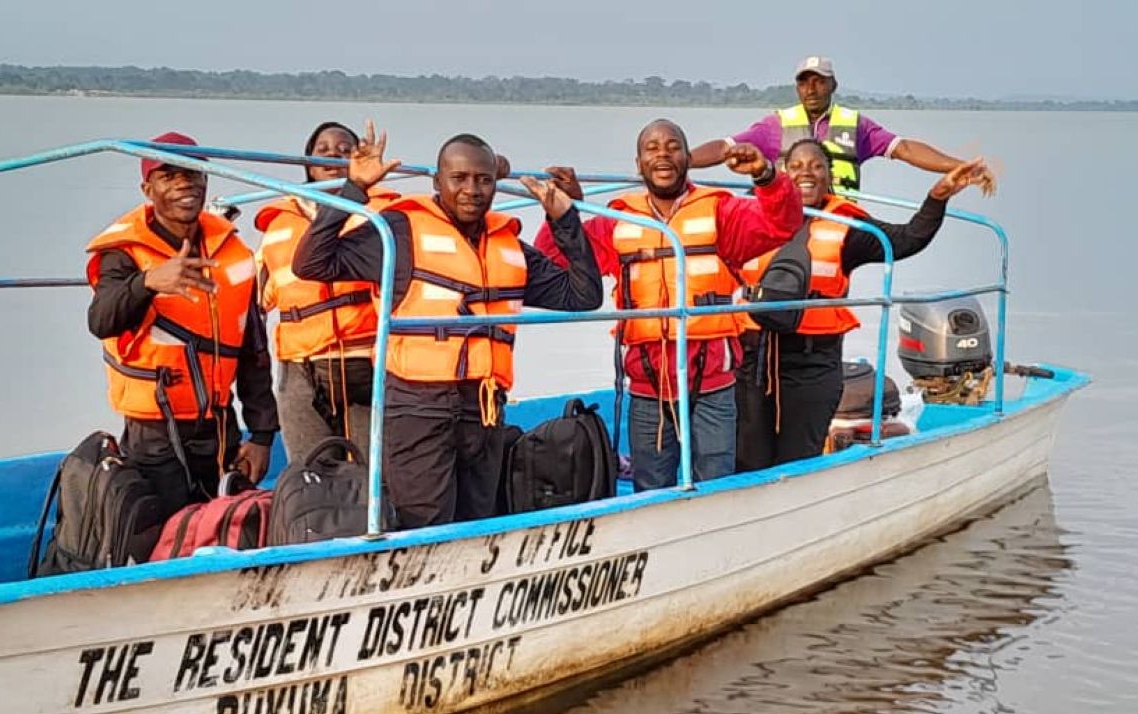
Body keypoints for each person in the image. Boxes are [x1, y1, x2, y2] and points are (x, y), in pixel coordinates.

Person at [291, 123, 603, 530]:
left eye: (483, 180)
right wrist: (354, 189)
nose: (472, 190)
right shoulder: (400, 232)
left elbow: (583, 295)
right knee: (423, 521)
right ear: (438, 181)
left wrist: (564, 220)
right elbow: (312, 263)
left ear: (494, 185)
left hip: (485, 406)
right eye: (459, 178)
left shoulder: (508, 246)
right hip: (417, 405)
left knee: (478, 520)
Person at [536, 119, 801, 491]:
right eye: (652, 148)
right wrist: (567, 209)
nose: (663, 154)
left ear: (688, 158)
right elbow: (553, 261)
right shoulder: (617, 221)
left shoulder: (721, 213)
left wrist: (766, 175)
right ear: (638, 163)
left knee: (715, 483)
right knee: (651, 485)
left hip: (713, 384)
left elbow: (782, 224)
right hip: (647, 386)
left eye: (673, 146)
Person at [735, 139, 989, 470]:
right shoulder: (749, 215)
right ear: (782, 174)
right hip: (752, 362)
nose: (805, 173)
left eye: (816, 166)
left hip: (812, 364)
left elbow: (906, 239)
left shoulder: (847, 226)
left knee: (796, 462)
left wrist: (937, 196)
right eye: (795, 166)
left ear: (830, 177)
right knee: (747, 459)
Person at [86, 131, 277, 519]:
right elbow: (100, 319)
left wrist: (261, 435)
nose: (183, 184)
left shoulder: (233, 253)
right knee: (167, 529)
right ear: (147, 188)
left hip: (221, 426)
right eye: (168, 175)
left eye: (192, 174)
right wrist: (148, 283)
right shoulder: (125, 254)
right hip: (155, 429)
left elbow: (253, 352)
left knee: (220, 525)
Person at [254, 121, 400, 464]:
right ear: (307, 161)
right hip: (300, 365)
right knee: (311, 472)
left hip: (366, 361)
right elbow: (258, 299)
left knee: (372, 470)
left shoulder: (385, 214)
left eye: (344, 149)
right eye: (323, 149)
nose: (333, 155)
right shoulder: (281, 219)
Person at [689, 56, 996, 195]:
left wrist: (960, 168)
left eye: (818, 81)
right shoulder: (775, 125)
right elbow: (725, 147)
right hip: (785, 218)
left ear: (833, 84)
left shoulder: (857, 125)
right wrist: (684, 161)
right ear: (796, 88)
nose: (811, 89)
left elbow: (903, 148)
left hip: (838, 221)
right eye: (804, 83)